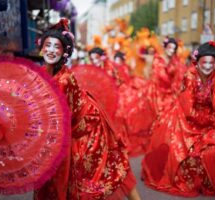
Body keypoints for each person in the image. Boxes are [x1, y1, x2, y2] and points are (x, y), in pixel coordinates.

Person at [34, 18, 140, 200]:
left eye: (56, 47)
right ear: (41, 47)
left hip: (87, 128)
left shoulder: (64, 80)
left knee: (92, 175)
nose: (51, 50)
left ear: (64, 53)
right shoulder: (43, 72)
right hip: (72, 125)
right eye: (48, 45)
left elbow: (60, 120)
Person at [142, 41, 215, 197]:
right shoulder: (190, 76)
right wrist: (208, 120)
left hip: (210, 120)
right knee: (180, 152)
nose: (208, 66)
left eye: (211, 62)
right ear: (197, 62)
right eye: (204, 62)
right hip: (187, 120)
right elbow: (188, 108)